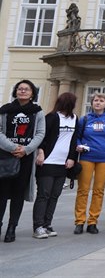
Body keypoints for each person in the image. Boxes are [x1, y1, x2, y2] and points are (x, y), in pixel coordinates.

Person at [0, 80, 45, 242]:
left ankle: (12, 227)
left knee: (18, 193)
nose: (23, 91)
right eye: (20, 89)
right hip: (5, 156)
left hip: (25, 158)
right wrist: (12, 147)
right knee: (2, 194)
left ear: (32, 93)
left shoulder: (37, 112)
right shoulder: (5, 110)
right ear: (15, 91)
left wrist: (26, 150)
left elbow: (40, 134)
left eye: (26, 89)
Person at [32, 92, 79, 239]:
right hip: (47, 161)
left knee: (54, 195)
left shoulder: (75, 119)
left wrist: (72, 158)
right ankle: (38, 226)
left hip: (62, 163)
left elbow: (74, 140)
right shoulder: (52, 117)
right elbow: (43, 137)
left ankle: (47, 224)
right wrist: (40, 152)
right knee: (44, 194)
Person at [74, 92, 105, 235]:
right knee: (83, 190)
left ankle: (93, 221)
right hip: (87, 157)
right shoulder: (85, 119)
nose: (97, 103)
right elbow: (78, 137)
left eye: (101, 101)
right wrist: (79, 145)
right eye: (95, 100)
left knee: (99, 190)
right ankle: (79, 221)